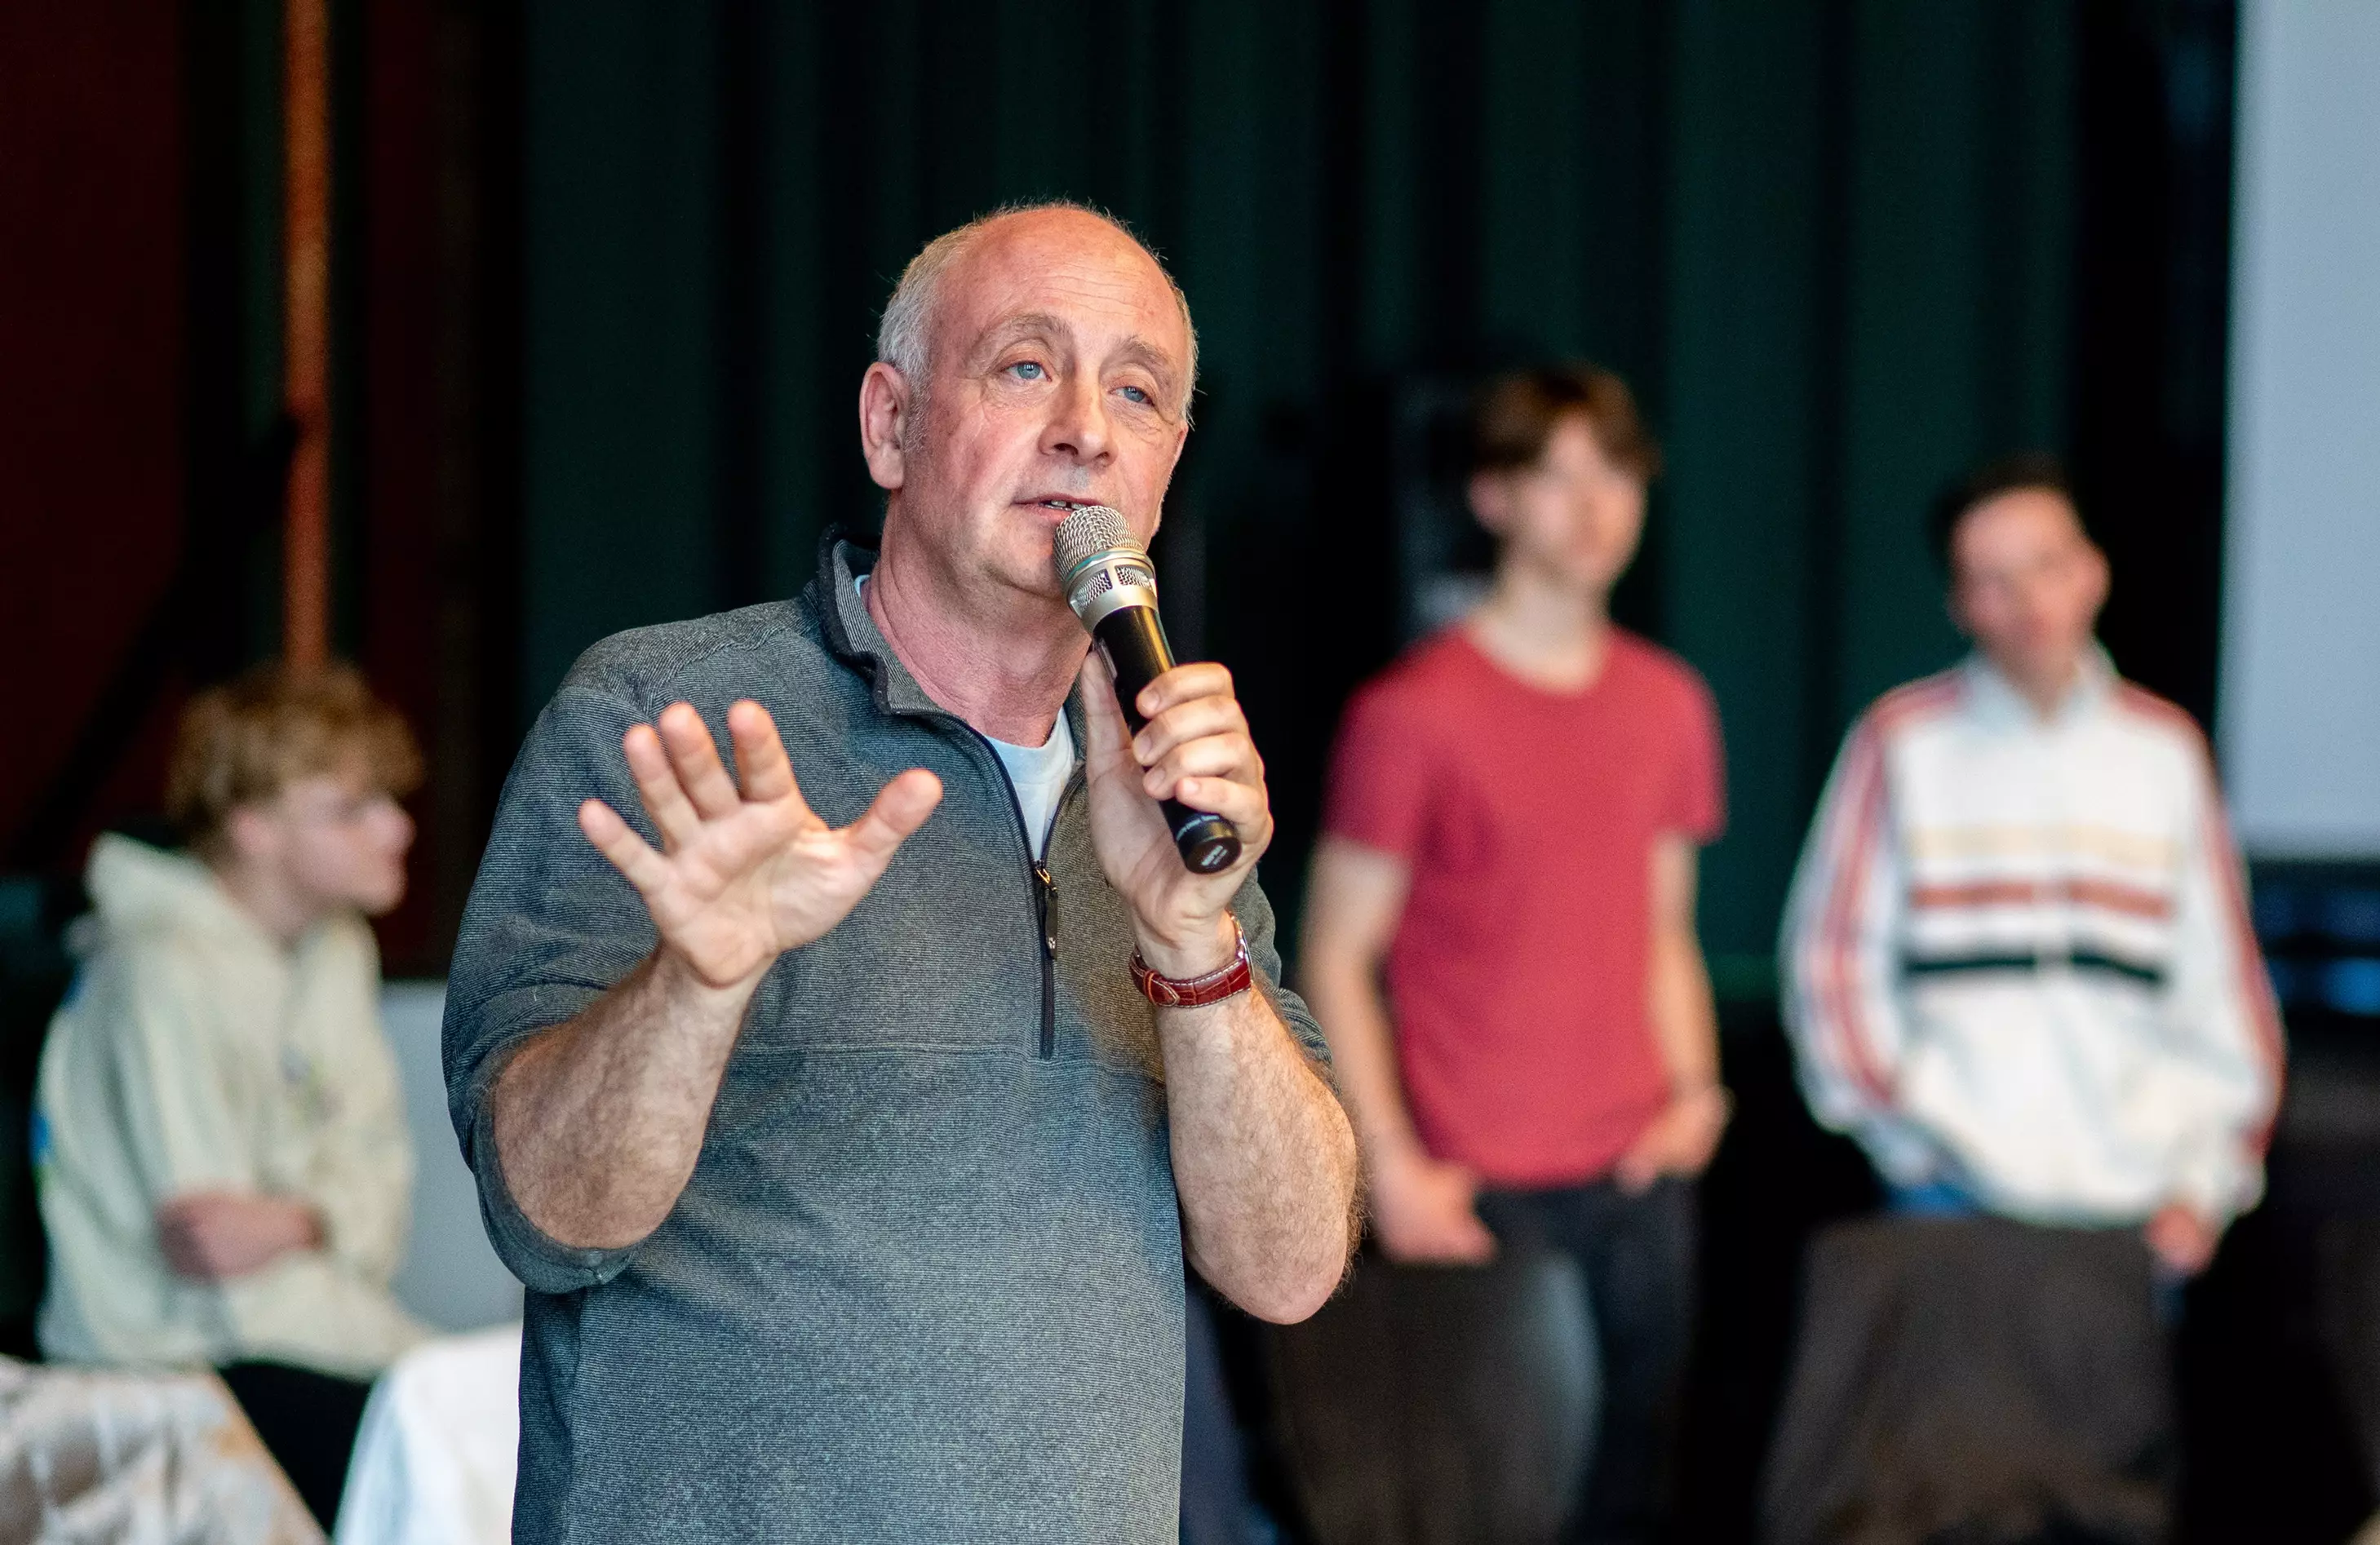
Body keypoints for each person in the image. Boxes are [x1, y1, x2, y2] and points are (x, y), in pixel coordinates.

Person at [441, 203, 1359, 1543]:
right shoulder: (672, 715)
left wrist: (1190, 940)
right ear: (890, 424)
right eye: (1027, 365)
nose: (1085, 429)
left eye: (1140, 390)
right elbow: (548, 1214)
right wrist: (701, 979)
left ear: (1166, 465)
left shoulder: (1179, 799)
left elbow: (1287, 1267)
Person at [1763, 456, 2282, 1543]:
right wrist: (1916, 1143)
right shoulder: (1903, 742)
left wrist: (2206, 1181)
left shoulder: (2162, 751)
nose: (2028, 599)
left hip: (2125, 1215)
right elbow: (1830, 963)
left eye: (2046, 564)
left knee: (2100, 1510)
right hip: (1951, 1204)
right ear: (1961, 602)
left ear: (2091, 570)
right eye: (1993, 578)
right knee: (1937, 1506)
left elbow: (2221, 995)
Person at [1299, 364, 1726, 1543]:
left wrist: (1693, 1095)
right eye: (1556, 475)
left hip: (1638, 1178)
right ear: (1493, 498)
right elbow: (1337, 953)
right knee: (1491, 1511)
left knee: (1629, 1505)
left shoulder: (1669, 702)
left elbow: (1663, 929)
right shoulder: (1413, 712)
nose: (1595, 506)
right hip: (1477, 1190)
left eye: (1617, 472)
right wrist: (1388, 1166)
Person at [35, 661, 432, 1526]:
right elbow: (213, 1257)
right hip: (164, 1364)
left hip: (306, 1336)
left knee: (492, 1422)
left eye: (389, 800)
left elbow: (387, 1198)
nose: (397, 828)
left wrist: (299, 1221)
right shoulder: (159, 968)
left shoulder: (337, 948)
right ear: (253, 828)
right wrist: (408, 1351)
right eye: (351, 807)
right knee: (456, 1454)